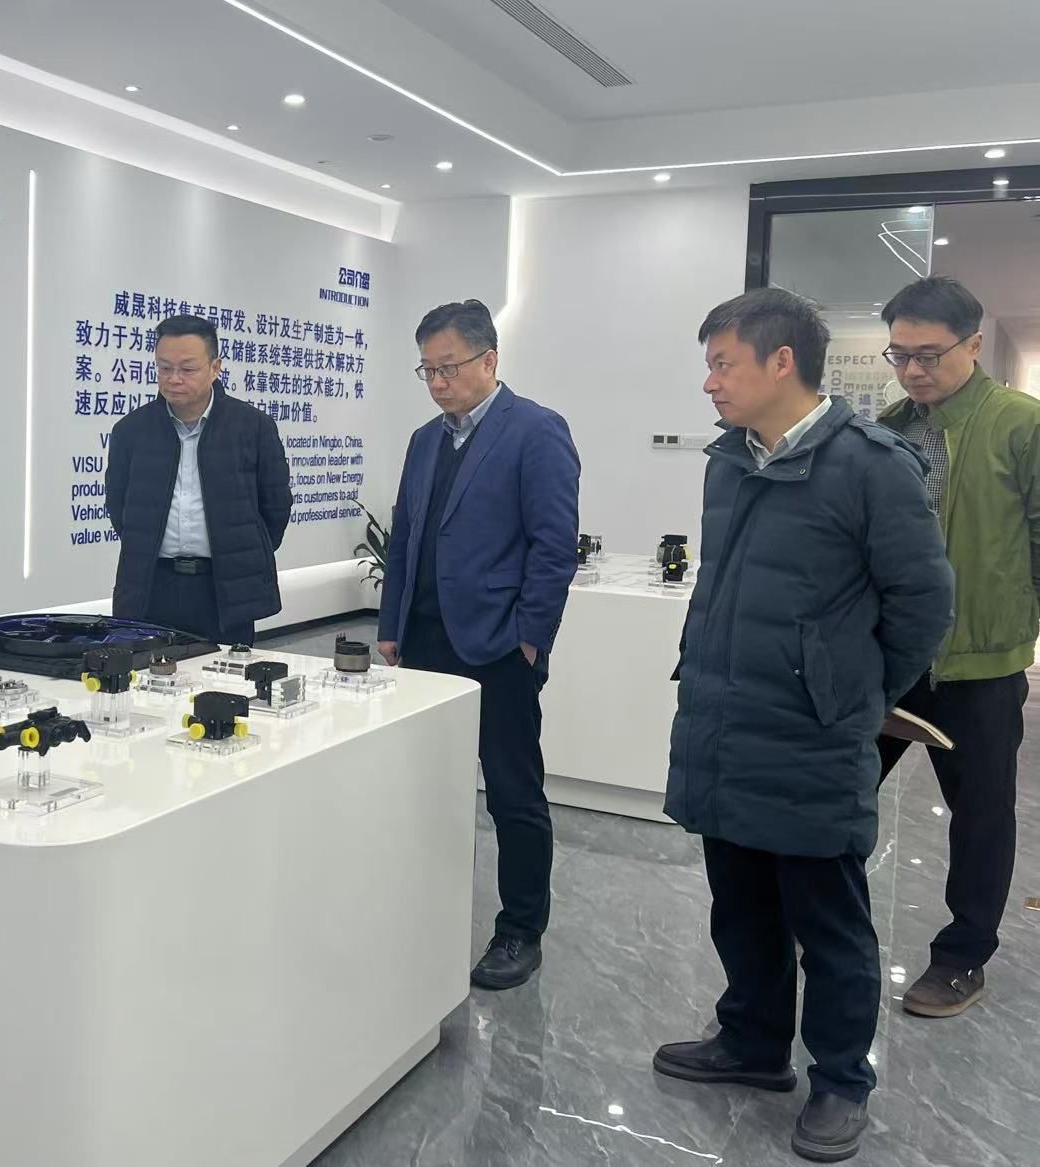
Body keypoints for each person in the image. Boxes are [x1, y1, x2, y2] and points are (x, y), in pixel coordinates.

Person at [653, 289, 953, 1164]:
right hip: (726, 719)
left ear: (782, 361)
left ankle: (841, 1079)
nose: (710, 382)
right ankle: (751, 1039)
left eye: (723, 363)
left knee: (829, 921)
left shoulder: (871, 465)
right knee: (740, 901)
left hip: (813, 736)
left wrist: (852, 693)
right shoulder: (728, 460)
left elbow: (924, 604)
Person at [376, 299, 580, 991]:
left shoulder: (536, 431)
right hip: (424, 641)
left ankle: (520, 929)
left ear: (489, 359)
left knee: (513, 794)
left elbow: (554, 547)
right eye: (427, 371)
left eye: (450, 368)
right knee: (431, 787)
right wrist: (391, 625)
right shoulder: (423, 441)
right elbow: (405, 536)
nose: (438, 383)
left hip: (497, 647)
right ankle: (429, 909)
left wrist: (530, 640)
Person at [875, 276, 1040, 1018]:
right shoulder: (887, 428)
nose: (913, 371)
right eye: (900, 354)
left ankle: (961, 956)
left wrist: (1014, 619)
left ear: (973, 345)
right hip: (890, 658)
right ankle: (822, 925)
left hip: (979, 662)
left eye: (929, 355)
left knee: (980, 815)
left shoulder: (1020, 425)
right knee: (838, 790)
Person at [104, 313, 291, 645]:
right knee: (147, 674)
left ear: (215, 367)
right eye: (164, 368)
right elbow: (119, 507)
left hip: (224, 588)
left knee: (225, 674)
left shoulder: (253, 427)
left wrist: (238, 553)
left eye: (187, 369)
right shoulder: (131, 431)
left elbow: (275, 506)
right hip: (152, 586)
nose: (174, 378)